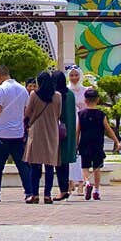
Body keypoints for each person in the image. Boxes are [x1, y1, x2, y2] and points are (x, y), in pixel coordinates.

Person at [0, 64, 32, 202]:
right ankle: (29, 191)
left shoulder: (1, 89)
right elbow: (26, 110)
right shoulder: (22, 89)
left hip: (1, 133)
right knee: (22, 165)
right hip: (17, 133)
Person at [22, 70, 62, 202]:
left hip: (37, 131)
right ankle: (47, 195)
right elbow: (59, 113)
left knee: (35, 165)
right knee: (49, 165)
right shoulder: (57, 96)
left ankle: (34, 195)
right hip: (52, 131)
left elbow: (28, 112)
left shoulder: (34, 95)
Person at [77, 87, 121, 199]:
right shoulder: (101, 114)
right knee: (97, 168)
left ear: (85, 100)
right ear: (97, 100)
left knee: (84, 167)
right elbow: (108, 129)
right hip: (97, 144)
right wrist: (116, 141)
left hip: (84, 143)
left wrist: (75, 144)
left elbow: (77, 131)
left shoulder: (81, 114)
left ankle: (87, 183)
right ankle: (96, 191)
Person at [52, 68, 77, 200]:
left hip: (58, 132)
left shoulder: (57, 95)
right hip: (70, 130)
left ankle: (63, 189)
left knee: (58, 162)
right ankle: (65, 188)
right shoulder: (71, 94)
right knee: (65, 163)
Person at [65, 65, 87, 190]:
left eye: (76, 75)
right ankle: (69, 182)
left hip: (82, 126)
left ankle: (81, 182)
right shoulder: (66, 91)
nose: (74, 78)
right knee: (70, 154)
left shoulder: (86, 90)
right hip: (69, 125)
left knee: (81, 154)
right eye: (71, 75)